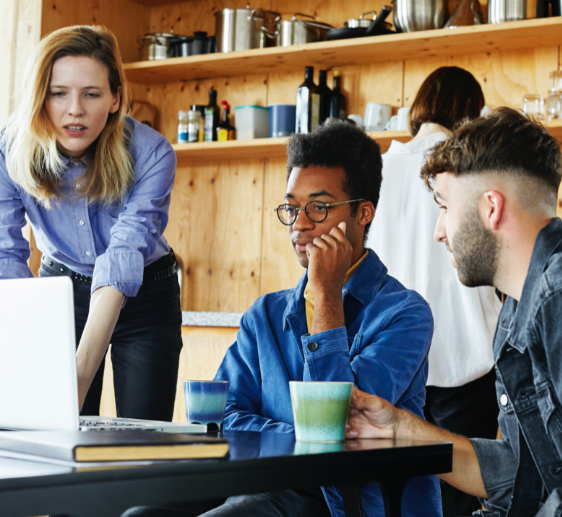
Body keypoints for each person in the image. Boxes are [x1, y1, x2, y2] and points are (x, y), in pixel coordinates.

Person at [122, 122, 441, 517]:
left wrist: (326, 293)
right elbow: (223, 417)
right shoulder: (265, 315)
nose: (299, 224)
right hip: (252, 483)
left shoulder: (405, 314)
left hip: (343, 499)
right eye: (291, 207)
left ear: (363, 213)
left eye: (318, 207)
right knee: (138, 514)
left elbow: (338, 427)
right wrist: (297, 435)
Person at [347, 107, 562, 517]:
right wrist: (399, 429)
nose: (439, 230)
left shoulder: (557, 297)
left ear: (490, 208)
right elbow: (522, 473)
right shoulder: (517, 306)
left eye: (444, 207)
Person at [0, 25, 182, 421]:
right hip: (61, 288)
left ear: (116, 98)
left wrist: (75, 385)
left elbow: (122, 259)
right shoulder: (8, 152)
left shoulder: (151, 154)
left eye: (92, 94)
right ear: (39, 97)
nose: (75, 110)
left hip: (146, 294)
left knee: (141, 438)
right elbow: (7, 257)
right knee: (53, 434)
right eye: (58, 93)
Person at [367, 66, 501, 516]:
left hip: (398, 351)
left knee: (399, 484)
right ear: (468, 110)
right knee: (462, 485)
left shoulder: (380, 167)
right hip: (468, 351)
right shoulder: (470, 166)